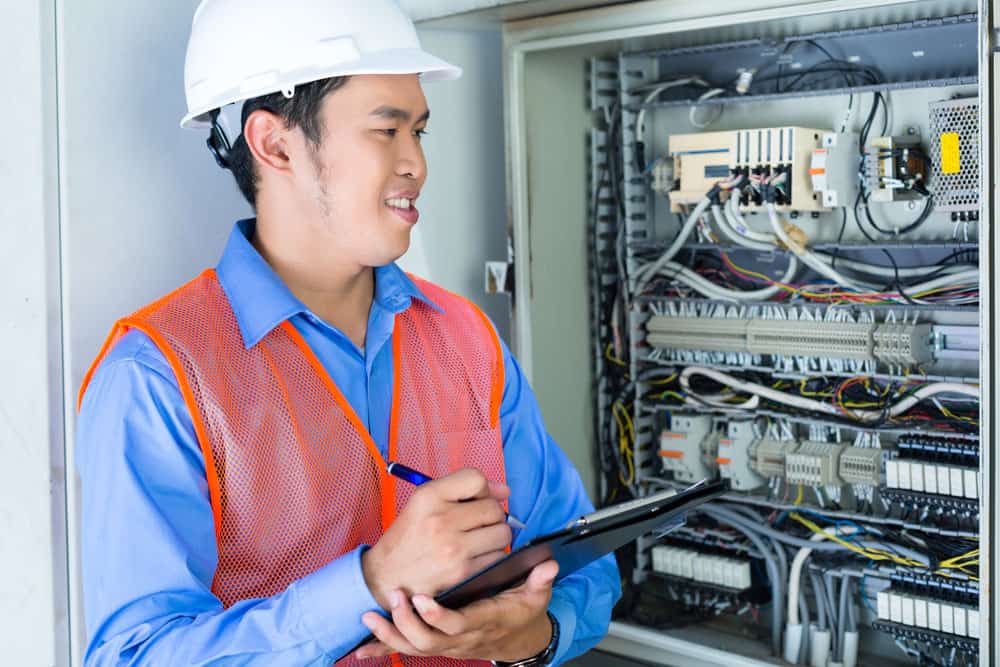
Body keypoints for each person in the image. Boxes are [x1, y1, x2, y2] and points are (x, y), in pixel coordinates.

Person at [75, 0, 620, 664]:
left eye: (419, 131)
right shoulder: (159, 376)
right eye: (385, 131)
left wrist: (532, 633)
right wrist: (371, 581)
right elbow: (135, 654)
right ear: (275, 143)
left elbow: (585, 564)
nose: (415, 163)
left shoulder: (467, 339)